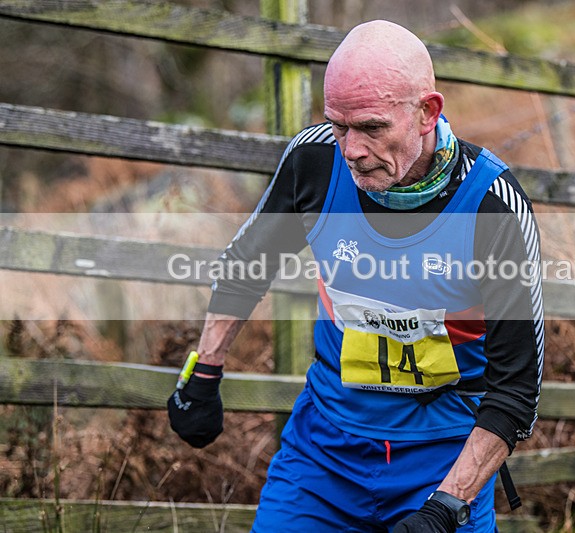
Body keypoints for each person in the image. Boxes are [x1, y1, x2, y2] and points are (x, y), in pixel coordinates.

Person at [167, 19, 544, 532]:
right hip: (324, 453)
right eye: (339, 125)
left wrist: (446, 507)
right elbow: (246, 264)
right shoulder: (315, 163)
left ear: (427, 112)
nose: (351, 150)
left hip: (441, 462)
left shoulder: (491, 208)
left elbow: (516, 391)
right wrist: (204, 371)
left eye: (371, 127)